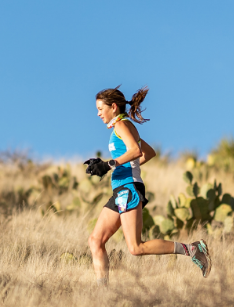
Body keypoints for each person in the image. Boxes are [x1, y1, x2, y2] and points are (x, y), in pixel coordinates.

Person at [83, 86, 210, 285]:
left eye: (100, 109)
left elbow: (135, 151)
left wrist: (109, 165)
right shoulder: (124, 126)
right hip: (122, 189)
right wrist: (115, 166)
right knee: (95, 241)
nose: (98, 113)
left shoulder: (121, 125)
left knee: (135, 248)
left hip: (127, 189)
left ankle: (194, 249)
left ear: (113, 107)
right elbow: (147, 153)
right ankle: (102, 295)